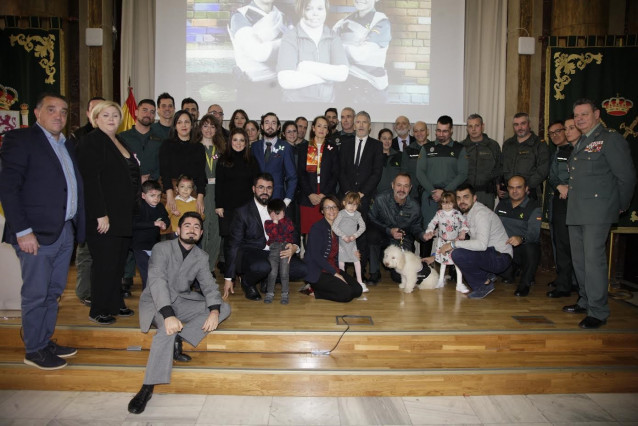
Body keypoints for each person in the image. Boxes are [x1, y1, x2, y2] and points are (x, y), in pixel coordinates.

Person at [0, 93, 84, 370]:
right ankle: (34, 350)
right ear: (37, 113)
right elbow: (8, 189)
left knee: (53, 291)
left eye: (63, 111)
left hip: (63, 230)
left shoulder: (67, 144)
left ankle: (44, 340)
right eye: (51, 110)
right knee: (36, 293)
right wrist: (23, 231)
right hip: (35, 234)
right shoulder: (20, 140)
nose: (58, 115)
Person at [127, 212, 231, 415]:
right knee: (166, 331)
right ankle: (147, 387)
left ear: (200, 234)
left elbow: (209, 286)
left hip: (183, 301)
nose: (191, 229)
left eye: (196, 227)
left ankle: (180, 338)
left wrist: (214, 311)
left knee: (224, 308)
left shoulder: (201, 256)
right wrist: (168, 315)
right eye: (187, 225)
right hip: (158, 301)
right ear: (178, 229)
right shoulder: (161, 248)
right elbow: (156, 281)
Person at [563, 98, 636, 329]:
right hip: (576, 210)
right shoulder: (582, 141)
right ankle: (585, 300)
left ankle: (598, 310)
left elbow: (626, 177)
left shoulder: (610, 139)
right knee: (580, 261)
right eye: (576, 115)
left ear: (597, 114)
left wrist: (620, 206)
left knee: (594, 262)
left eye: (584, 114)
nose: (579, 119)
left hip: (598, 211)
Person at [78, 100, 139, 324]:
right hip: (105, 216)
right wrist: (100, 214)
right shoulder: (91, 142)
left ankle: (114, 303)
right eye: (106, 115)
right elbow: (90, 181)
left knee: (118, 262)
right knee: (104, 263)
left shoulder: (118, 140)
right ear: (95, 119)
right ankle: (98, 309)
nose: (112, 118)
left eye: (115, 115)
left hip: (123, 215)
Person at [223, 173, 307, 301]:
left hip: (277, 250)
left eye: (269, 188)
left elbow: (293, 231)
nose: (265, 191)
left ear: (273, 190)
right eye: (261, 187)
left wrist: (294, 247)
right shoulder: (242, 212)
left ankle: (267, 279)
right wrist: (229, 278)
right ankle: (247, 282)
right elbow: (233, 245)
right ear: (253, 189)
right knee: (263, 266)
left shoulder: (279, 207)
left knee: (303, 269)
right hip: (252, 252)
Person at [443, 184, 512, 299]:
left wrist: (452, 244)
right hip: (491, 253)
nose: (462, 201)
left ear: (474, 198)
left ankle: (483, 285)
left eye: (466, 197)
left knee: (458, 254)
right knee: (458, 249)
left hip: (501, 257)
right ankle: (487, 275)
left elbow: (481, 245)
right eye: (459, 198)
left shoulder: (481, 214)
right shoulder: (466, 214)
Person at [416, 115, 468, 257]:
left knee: (452, 231)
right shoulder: (427, 148)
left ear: (451, 131)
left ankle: (451, 268)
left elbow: (463, 174)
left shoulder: (459, 149)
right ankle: (425, 267)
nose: (441, 134)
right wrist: (433, 191)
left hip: (450, 198)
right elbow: (420, 172)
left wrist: (444, 192)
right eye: (438, 130)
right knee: (428, 230)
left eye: (444, 131)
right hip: (430, 197)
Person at [277, 0, 349, 102]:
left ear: (325, 10)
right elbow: (285, 80)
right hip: (296, 106)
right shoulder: (290, 37)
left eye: (320, 8)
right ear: (301, 10)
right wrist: (329, 77)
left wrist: (306, 66)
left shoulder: (333, 37)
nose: (315, 13)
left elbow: (342, 74)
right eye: (308, 8)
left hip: (327, 106)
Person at [69, 96, 103, 307]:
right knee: (86, 251)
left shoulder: (111, 137)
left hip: (105, 201)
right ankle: (84, 292)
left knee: (102, 251)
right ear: (88, 114)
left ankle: (100, 289)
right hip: (85, 201)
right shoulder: (78, 137)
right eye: (95, 110)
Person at [368, 173, 428, 284]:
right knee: (372, 235)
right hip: (383, 235)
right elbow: (371, 218)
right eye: (399, 185)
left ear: (410, 188)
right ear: (392, 185)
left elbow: (416, 226)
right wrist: (388, 230)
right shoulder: (380, 199)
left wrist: (422, 235)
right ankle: (374, 273)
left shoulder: (415, 206)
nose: (402, 189)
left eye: (406, 186)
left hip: (402, 240)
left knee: (398, 277)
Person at [215, 128, 261, 270]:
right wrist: (219, 205)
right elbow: (219, 184)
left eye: (242, 140)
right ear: (230, 142)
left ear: (246, 142)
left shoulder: (251, 160)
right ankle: (231, 272)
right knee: (230, 240)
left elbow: (257, 184)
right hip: (228, 208)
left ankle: (243, 270)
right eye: (235, 140)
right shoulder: (223, 160)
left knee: (245, 240)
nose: (238, 143)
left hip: (246, 207)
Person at [303, 195, 364, 302]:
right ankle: (313, 290)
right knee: (346, 294)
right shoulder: (317, 228)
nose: (331, 210)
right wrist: (335, 274)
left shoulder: (340, 228)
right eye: (327, 207)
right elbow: (316, 256)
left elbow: (346, 246)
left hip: (333, 267)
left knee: (358, 290)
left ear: (339, 209)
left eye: (334, 207)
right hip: (318, 271)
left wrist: (354, 252)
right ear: (322, 211)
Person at [333, 0, 391, 103]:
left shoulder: (381, 22)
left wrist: (338, 48)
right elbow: (327, 48)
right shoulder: (344, 21)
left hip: (371, 90)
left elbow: (360, 55)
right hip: (346, 86)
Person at [228, 0, 290, 92]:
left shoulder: (282, 16)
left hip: (280, 87)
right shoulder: (240, 17)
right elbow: (260, 53)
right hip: (252, 89)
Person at [495, 176, 542, 297]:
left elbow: (534, 234)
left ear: (526, 189)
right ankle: (512, 271)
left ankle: (525, 284)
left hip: (523, 248)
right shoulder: (501, 205)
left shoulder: (534, 207)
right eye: (511, 187)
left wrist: (521, 238)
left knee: (532, 248)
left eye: (518, 187)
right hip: (505, 248)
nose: (514, 191)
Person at [546, 118, 576, 298]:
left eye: (559, 131)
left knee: (571, 245)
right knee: (560, 243)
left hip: (574, 200)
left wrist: (569, 187)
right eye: (552, 133)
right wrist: (558, 186)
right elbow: (552, 175)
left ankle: (569, 283)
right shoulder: (557, 152)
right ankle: (565, 280)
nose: (556, 135)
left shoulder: (577, 149)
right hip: (559, 201)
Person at [158, 110, 206, 218]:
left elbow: (201, 175)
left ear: (192, 125)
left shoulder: (198, 147)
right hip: (170, 190)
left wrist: (200, 197)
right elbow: (164, 172)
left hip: (191, 192)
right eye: (179, 122)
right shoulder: (167, 145)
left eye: (187, 122)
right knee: (170, 228)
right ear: (175, 126)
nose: (183, 125)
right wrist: (169, 194)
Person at [297, 115, 340, 235]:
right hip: (308, 195)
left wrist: (323, 195)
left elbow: (335, 173)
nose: (321, 129)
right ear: (313, 128)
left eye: (325, 127)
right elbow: (301, 173)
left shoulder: (332, 148)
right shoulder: (304, 147)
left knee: (326, 232)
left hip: (326, 194)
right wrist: (310, 193)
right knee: (309, 231)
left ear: (327, 131)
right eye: (319, 126)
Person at [424, 191, 469, 293]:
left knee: (457, 263)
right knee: (443, 263)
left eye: (449, 203)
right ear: (441, 204)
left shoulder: (457, 213)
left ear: (453, 203)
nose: (447, 206)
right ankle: (440, 280)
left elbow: (464, 222)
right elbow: (432, 223)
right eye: (444, 203)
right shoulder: (439, 214)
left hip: (454, 243)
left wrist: (463, 231)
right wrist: (430, 230)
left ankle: (459, 284)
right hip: (443, 242)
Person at [500, 112, 550, 201]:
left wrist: (525, 187)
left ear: (529, 124)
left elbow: (543, 170)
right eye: (516, 125)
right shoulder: (508, 144)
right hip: (509, 193)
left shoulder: (539, 144)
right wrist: (499, 184)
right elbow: (501, 166)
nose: (520, 128)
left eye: (523, 123)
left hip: (530, 192)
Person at [251, 112, 297, 203]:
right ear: (262, 126)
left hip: (277, 198)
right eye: (267, 122)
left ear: (278, 127)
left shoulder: (285, 147)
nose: (270, 126)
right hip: (256, 198)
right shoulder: (254, 146)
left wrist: (287, 200)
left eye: (273, 123)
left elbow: (292, 177)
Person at [199, 114, 225, 273]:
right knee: (201, 229)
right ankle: (198, 268)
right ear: (200, 127)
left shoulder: (222, 149)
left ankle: (209, 269)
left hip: (218, 193)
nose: (209, 130)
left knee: (216, 232)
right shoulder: (194, 147)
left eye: (212, 126)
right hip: (201, 193)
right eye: (205, 125)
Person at [132, 180, 170, 289]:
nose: (156, 199)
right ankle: (147, 299)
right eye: (152, 195)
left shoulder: (160, 207)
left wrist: (165, 225)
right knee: (146, 275)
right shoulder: (139, 207)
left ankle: (154, 296)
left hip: (154, 245)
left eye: (158, 196)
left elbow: (166, 218)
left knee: (154, 274)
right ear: (143, 195)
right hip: (140, 246)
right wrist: (153, 223)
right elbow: (134, 224)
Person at [461, 113, 501, 210]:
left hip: (486, 194)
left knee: (485, 223)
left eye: (477, 126)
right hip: (466, 193)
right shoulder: (461, 147)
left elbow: (499, 168)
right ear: (467, 128)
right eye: (470, 126)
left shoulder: (492, 145)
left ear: (482, 126)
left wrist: (499, 185)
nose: (473, 129)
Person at [119, 99, 163, 182]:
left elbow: (163, 164)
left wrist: (149, 178)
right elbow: (119, 163)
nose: (148, 114)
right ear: (136, 112)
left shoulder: (160, 139)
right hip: (128, 184)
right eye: (144, 110)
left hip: (152, 186)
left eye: (152, 112)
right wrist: (137, 178)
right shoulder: (123, 137)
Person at [332, 192, 368, 292]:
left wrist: (354, 236)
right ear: (344, 203)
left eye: (355, 204)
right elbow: (334, 226)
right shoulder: (341, 214)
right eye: (350, 203)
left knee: (356, 261)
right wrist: (343, 236)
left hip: (352, 242)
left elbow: (363, 227)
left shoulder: (357, 215)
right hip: (342, 242)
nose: (352, 207)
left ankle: (360, 282)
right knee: (341, 262)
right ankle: (343, 281)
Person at [264, 199, 295, 304]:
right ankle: (269, 293)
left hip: (285, 248)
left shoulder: (288, 221)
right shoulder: (268, 223)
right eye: (272, 213)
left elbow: (287, 230)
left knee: (284, 273)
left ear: (284, 212)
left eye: (278, 213)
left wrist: (279, 222)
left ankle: (285, 293)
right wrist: (275, 222)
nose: (275, 216)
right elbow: (272, 233)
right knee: (272, 273)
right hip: (274, 249)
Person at [377, 128, 403, 194]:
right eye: (384, 139)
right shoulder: (373, 156)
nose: (387, 141)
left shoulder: (399, 155)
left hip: (396, 194)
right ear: (379, 139)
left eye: (389, 138)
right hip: (377, 195)